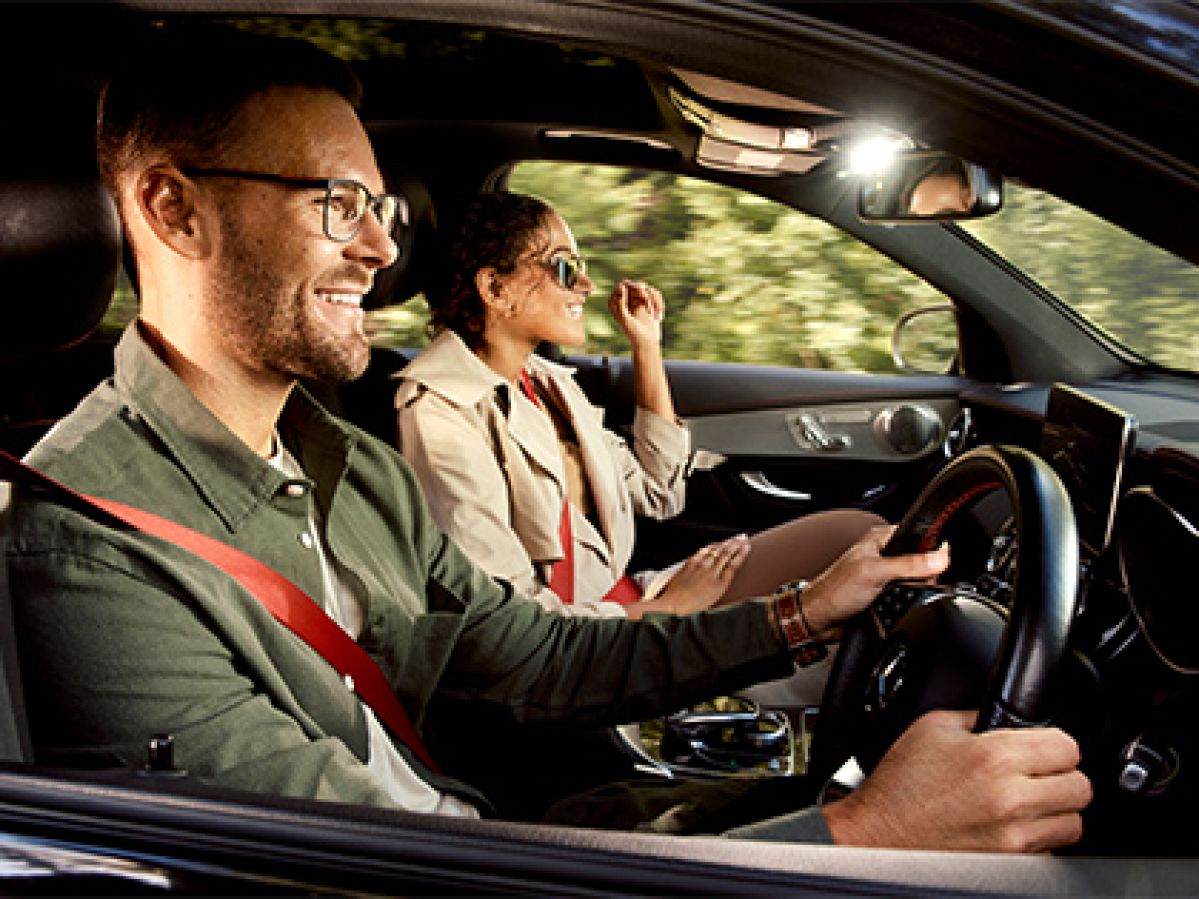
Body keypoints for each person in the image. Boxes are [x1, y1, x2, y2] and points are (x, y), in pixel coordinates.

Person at [2, 24, 1090, 852]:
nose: (385, 247)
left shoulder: (348, 462)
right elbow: (350, 867)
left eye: (382, 205)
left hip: (491, 824)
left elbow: (531, 650)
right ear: (174, 210)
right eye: (339, 202)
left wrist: (801, 614)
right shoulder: (90, 546)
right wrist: (857, 841)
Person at [396, 190, 884, 623]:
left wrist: (646, 347)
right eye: (564, 268)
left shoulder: (545, 384)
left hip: (630, 601)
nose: (585, 287)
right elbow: (512, 624)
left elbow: (659, 492)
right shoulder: (438, 411)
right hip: (594, 639)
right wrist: (666, 610)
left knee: (859, 537)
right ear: (495, 289)